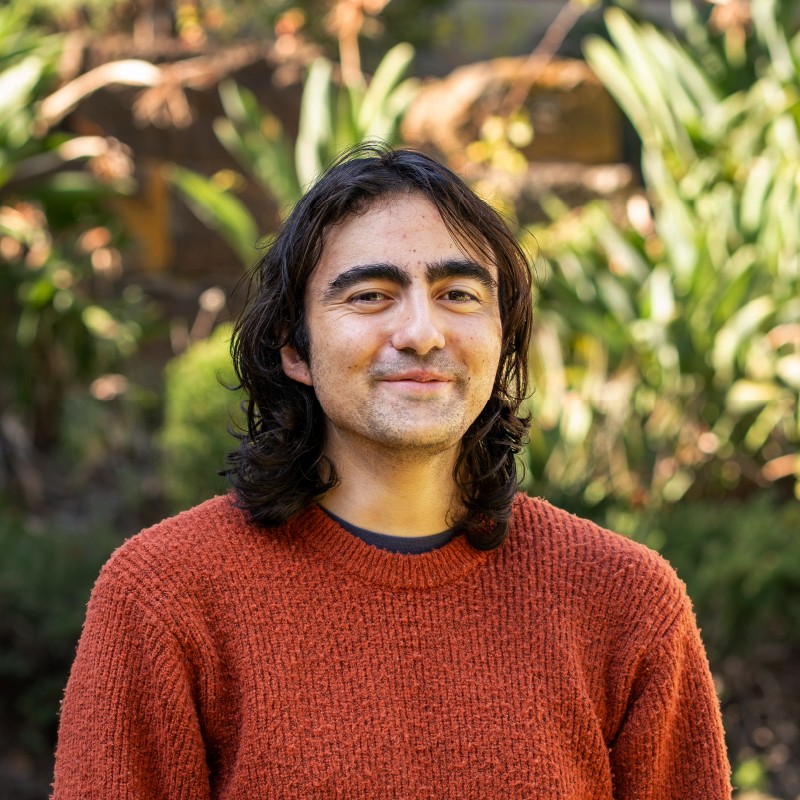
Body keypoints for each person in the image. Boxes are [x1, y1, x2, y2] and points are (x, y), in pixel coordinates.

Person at [52, 144, 732, 799]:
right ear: (295, 347)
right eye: (372, 295)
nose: (421, 332)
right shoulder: (165, 598)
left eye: (459, 294)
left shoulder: (625, 603)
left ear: (502, 338)